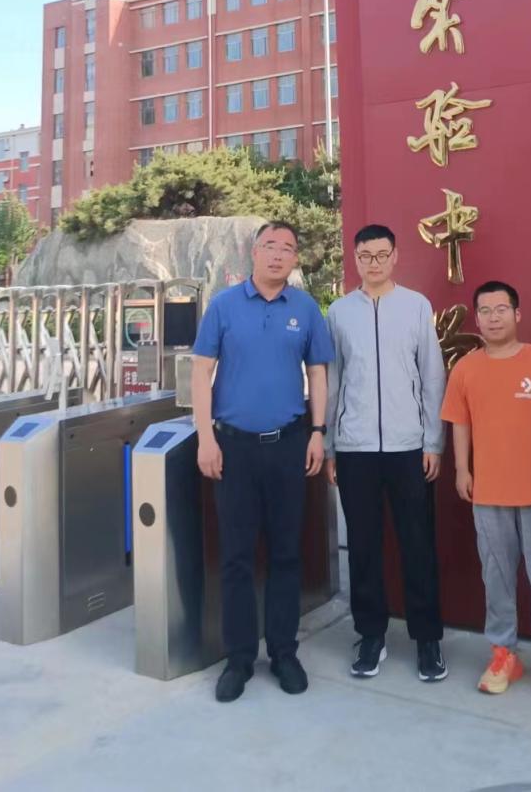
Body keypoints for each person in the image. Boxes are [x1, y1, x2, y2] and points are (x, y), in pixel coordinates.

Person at [192, 220, 334, 703]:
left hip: (289, 444)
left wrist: (318, 432)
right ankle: (238, 658)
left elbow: (318, 373)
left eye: (287, 248)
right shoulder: (224, 305)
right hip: (233, 448)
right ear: (254, 252)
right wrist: (205, 438)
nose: (277, 254)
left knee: (286, 553)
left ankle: (284, 652)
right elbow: (201, 373)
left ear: (295, 259)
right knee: (236, 556)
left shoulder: (305, 308)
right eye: (269, 245)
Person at [441, 280, 531, 702]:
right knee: (496, 577)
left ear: (517, 314)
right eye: (485, 311)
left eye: (501, 309)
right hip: (488, 493)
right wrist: (462, 469)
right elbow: (459, 423)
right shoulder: (466, 368)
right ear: (477, 318)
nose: (493, 318)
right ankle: (504, 654)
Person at [324, 224, 448, 682]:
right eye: (365, 255)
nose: (373, 263)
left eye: (381, 254)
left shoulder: (416, 306)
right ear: (355, 259)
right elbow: (333, 381)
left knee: (418, 544)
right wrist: (330, 446)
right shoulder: (339, 313)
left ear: (395, 257)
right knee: (363, 546)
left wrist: (433, 441)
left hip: (408, 447)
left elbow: (432, 376)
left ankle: (427, 638)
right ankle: (370, 634)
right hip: (355, 448)